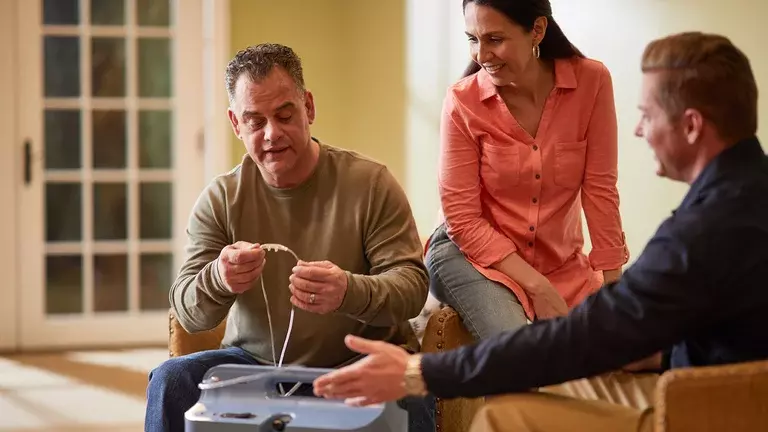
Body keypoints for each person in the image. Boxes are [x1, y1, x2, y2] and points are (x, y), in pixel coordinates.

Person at [313, 31, 768, 431]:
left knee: (505, 415)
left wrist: (421, 372)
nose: (637, 129)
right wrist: (651, 349)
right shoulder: (746, 196)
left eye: (647, 115)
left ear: (691, 126)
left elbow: (585, 335)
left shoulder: (700, 232)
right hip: (722, 388)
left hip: (706, 409)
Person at [144, 43, 434, 432]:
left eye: (284, 115)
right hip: (254, 368)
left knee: (412, 394)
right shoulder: (221, 198)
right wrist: (219, 278)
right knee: (170, 380)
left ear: (308, 108)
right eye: (255, 121)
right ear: (235, 124)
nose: (271, 134)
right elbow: (189, 313)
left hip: (357, 365)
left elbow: (412, 289)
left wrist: (349, 290)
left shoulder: (370, 183)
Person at [426, 0, 628, 341]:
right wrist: (537, 287)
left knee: (617, 349)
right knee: (524, 353)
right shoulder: (462, 102)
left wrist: (615, 289)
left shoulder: (592, 82)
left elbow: (600, 191)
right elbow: (462, 218)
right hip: (473, 257)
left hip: (560, 263)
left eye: (494, 39)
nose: (481, 54)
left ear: (537, 30)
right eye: (472, 39)